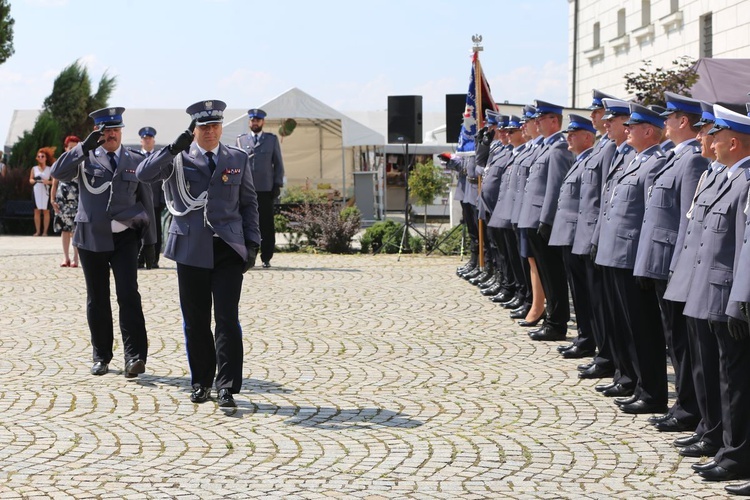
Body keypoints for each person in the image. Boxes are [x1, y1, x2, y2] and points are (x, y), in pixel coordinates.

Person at [137, 100, 261, 408]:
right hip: (191, 248)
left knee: (227, 319)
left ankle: (227, 386)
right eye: (204, 127)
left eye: (215, 126)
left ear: (221, 127)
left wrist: (253, 242)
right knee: (195, 320)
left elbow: (248, 203)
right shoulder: (178, 158)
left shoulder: (237, 157)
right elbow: (143, 175)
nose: (210, 132)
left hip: (227, 249)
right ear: (194, 130)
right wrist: (170, 149)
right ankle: (201, 381)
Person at [51, 106, 156, 378]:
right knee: (97, 298)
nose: (110, 135)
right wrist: (82, 148)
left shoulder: (134, 160)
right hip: (91, 238)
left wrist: (150, 240)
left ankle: (134, 356)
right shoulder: (86, 159)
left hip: (125, 237)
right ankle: (101, 356)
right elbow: (58, 171)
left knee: (128, 295)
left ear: (121, 131)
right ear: (97, 133)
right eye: (104, 131)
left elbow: (146, 201)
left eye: (114, 130)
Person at [633, 92, 707, 433]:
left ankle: (688, 407)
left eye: (670, 117)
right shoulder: (675, 158)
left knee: (680, 340)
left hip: (672, 262)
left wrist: (677, 266)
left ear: (682, 122)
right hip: (661, 260)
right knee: (673, 337)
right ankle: (683, 404)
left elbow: (687, 220)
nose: (664, 122)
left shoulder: (691, 160)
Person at [594, 103, 668, 415]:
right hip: (615, 252)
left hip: (631, 255)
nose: (626, 130)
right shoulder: (632, 160)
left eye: (632, 126)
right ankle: (629, 378)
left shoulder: (653, 164)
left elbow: (652, 218)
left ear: (648, 131)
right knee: (623, 324)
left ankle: (650, 390)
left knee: (642, 328)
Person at [518, 100, 574, 341]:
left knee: (553, 275)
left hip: (543, 220)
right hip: (533, 218)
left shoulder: (559, 148)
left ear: (554, 121)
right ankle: (552, 317)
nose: (537, 123)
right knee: (545, 273)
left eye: (542, 119)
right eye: (536, 119)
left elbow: (554, 187)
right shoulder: (544, 147)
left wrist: (547, 219)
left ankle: (557, 321)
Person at [236, 108, 284, 268]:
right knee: (246, 222)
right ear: (249, 122)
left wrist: (277, 184)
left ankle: (267, 257)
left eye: (257, 120)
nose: (254, 122)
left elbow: (278, 163)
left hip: (265, 190)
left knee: (266, 225)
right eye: (252, 120)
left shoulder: (271, 140)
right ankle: (248, 255)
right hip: (245, 190)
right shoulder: (241, 141)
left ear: (262, 122)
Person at [50, 136, 81, 267]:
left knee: (75, 230)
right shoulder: (60, 163)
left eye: (75, 148)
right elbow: (54, 184)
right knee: (64, 230)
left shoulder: (81, 163)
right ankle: (65, 257)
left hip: (77, 201)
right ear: (66, 148)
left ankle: (75, 258)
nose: (72, 150)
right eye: (70, 147)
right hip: (62, 202)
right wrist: (52, 199)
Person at [134, 126, 160, 270]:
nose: (147, 141)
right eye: (145, 138)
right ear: (141, 141)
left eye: (149, 138)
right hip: (138, 200)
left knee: (156, 231)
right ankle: (138, 259)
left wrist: (162, 201)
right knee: (138, 229)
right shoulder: (136, 157)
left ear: (153, 141)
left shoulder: (158, 156)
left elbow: (163, 181)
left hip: (155, 201)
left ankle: (154, 259)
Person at [29, 147, 55, 236]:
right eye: (38, 156)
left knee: (46, 211)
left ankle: (45, 232)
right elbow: (30, 179)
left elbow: (53, 182)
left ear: (46, 158)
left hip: (46, 191)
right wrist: (35, 181)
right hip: (36, 191)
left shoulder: (49, 169)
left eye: (42, 156)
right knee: (36, 211)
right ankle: (38, 231)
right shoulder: (34, 168)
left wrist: (47, 182)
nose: (40, 158)